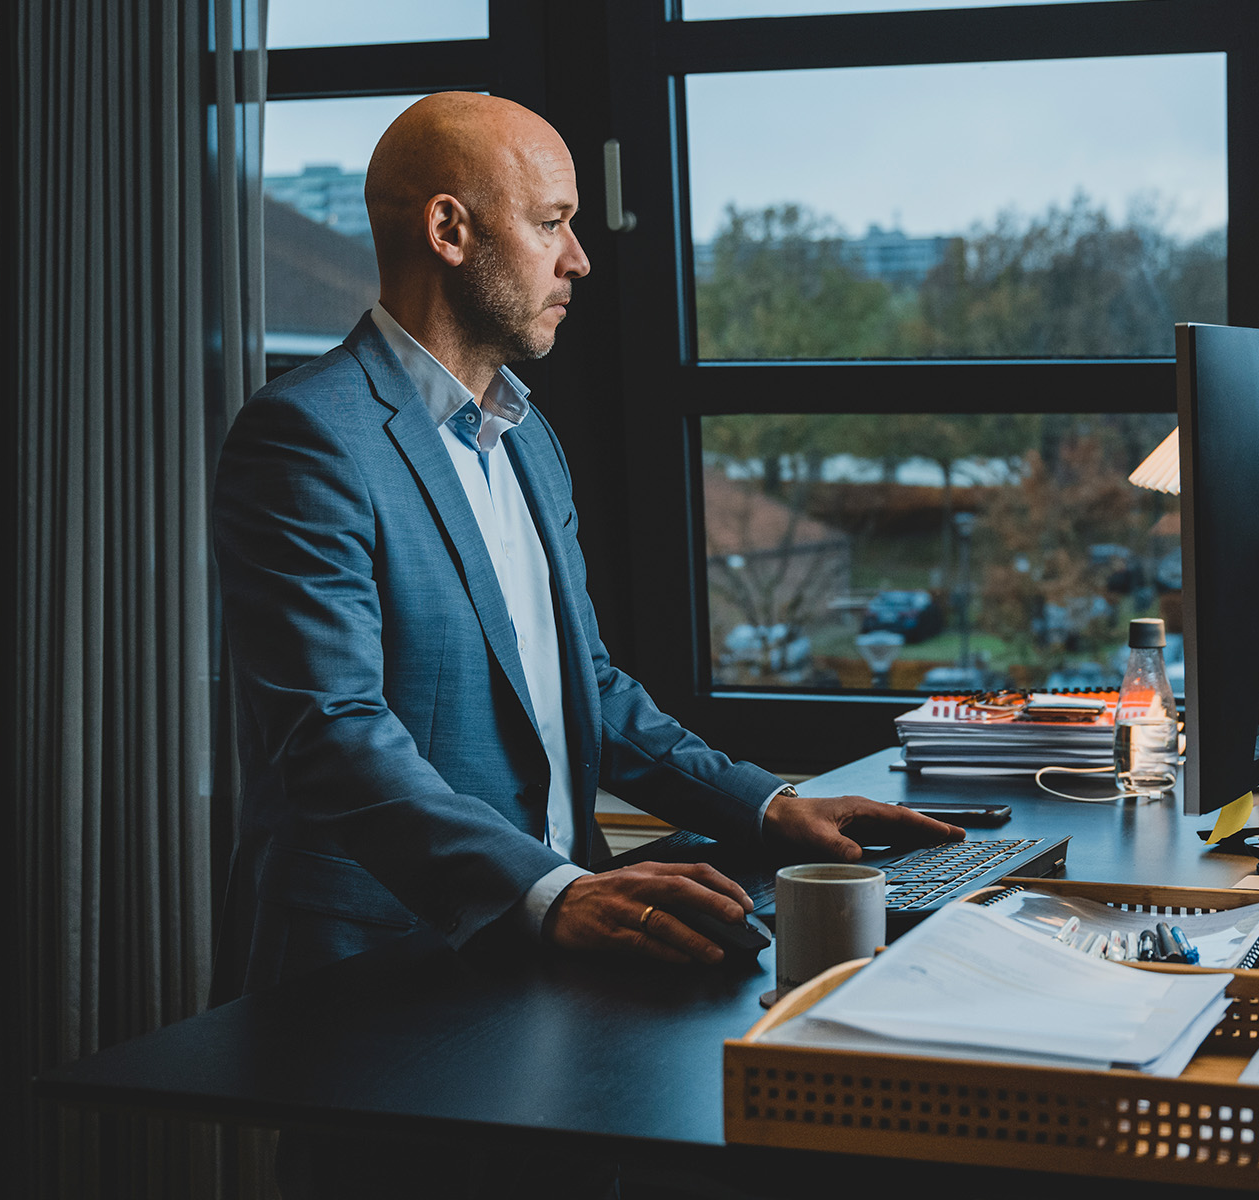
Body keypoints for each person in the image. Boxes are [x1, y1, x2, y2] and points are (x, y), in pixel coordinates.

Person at [211, 92, 958, 1195]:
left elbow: (586, 688)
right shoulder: (305, 437)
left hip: (545, 964)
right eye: (553, 221)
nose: (580, 260)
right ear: (450, 230)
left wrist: (766, 805)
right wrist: (552, 890)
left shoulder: (528, 437)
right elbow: (332, 735)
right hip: (386, 980)